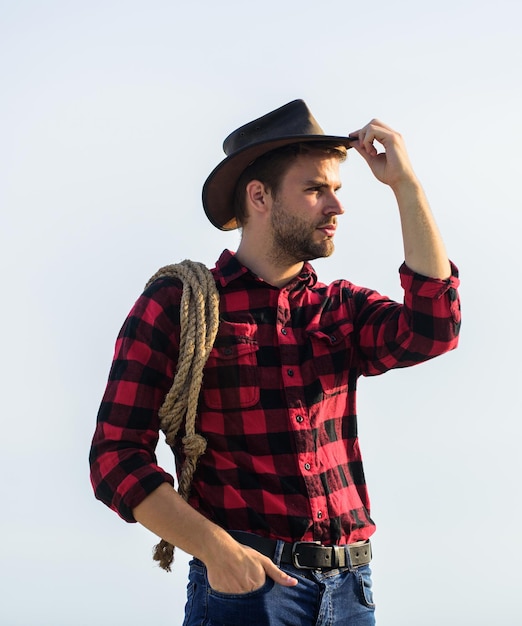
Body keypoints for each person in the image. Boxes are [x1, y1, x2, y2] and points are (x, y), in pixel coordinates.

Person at [89, 99, 461, 625]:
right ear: (259, 197)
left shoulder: (340, 308)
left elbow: (435, 328)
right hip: (249, 591)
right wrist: (219, 552)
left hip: (353, 590)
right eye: (315, 190)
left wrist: (407, 186)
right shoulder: (180, 303)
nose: (336, 207)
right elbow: (114, 458)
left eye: (337, 190)